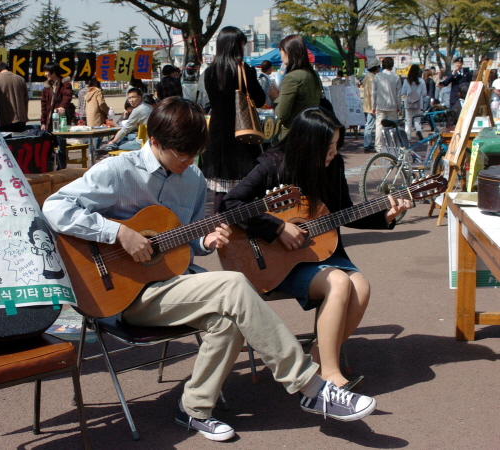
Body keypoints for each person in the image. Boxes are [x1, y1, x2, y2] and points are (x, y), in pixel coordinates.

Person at [42, 97, 378, 441]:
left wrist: (204, 242)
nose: (188, 163)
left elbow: (181, 243)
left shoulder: (193, 179)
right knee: (232, 285)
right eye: (182, 156)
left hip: (167, 287)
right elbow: (54, 207)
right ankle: (311, 386)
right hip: (119, 294)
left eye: (194, 156)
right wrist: (118, 232)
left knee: (228, 318)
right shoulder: (117, 171)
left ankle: (194, 409)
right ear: (154, 142)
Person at [223, 106, 411, 390]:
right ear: (306, 144)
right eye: (327, 147)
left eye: (336, 145)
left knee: (360, 286)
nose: (333, 153)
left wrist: (384, 217)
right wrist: (277, 228)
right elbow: (229, 205)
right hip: (274, 261)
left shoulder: (332, 167)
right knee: (338, 282)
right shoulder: (273, 164)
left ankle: (317, 359)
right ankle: (331, 376)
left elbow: (343, 212)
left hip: (322, 253)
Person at [200, 26, 266, 214]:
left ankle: (219, 228)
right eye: (243, 45)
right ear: (236, 46)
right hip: (242, 134)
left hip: (218, 135)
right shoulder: (244, 70)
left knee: (221, 188)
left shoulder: (210, 72)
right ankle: (245, 231)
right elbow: (260, 100)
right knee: (245, 186)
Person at [269, 34, 323, 143]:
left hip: (291, 135)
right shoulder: (313, 75)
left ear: (287, 52)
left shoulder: (292, 78)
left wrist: (275, 98)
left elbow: (282, 114)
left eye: (281, 53)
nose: (281, 57)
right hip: (311, 130)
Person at [99, 87, 152, 152]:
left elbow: (126, 128)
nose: (131, 100)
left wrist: (113, 141)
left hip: (142, 142)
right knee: (126, 136)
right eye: (129, 98)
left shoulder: (137, 110)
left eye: (133, 97)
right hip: (149, 138)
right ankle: (110, 146)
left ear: (140, 97)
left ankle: (110, 146)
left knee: (119, 144)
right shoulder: (148, 106)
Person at [371, 57, 401, 153]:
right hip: (392, 104)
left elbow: (374, 92)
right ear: (392, 65)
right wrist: (399, 107)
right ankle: (394, 146)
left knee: (379, 125)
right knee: (393, 126)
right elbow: (398, 94)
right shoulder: (396, 77)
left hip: (380, 104)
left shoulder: (377, 77)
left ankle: (378, 147)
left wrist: (373, 106)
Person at [0, 61, 29, 132]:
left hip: (4, 121)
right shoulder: (21, 79)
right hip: (21, 119)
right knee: (20, 141)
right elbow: (26, 99)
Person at [39, 62, 75, 131]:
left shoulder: (64, 84)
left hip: (61, 119)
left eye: (47, 71)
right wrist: (43, 122)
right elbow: (44, 106)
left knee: (60, 140)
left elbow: (67, 96)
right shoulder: (47, 87)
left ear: (53, 72)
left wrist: (62, 106)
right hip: (49, 122)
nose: (45, 74)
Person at [401, 64, 426, 142]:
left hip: (408, 102)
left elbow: (403, 92)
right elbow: (424, 92)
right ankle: (418, 131)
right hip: (418, 102)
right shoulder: (421, 81)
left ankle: (407, 136)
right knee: (417, 119)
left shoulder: (406, 81)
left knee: (408, 120)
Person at [362, 59, 380, 153]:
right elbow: (373, 93)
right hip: (371, 106)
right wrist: (374, 106)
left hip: (368, 105)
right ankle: (367, 145)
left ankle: (367, 144)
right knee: (370, 125)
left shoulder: (367, 77)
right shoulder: (372, 78)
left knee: (369, 125)